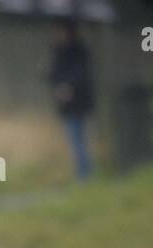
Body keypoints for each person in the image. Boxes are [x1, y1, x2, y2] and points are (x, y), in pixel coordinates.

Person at [47, 20, 95, 180]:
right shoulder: (57, 51)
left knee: (79, 138)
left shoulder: (79, 51)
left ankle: (84, 174)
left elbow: (80, 74)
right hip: (67, 105)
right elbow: (52, 76)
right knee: (75, 139)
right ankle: (83, 172)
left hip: (79, 102)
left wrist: (68, 86)